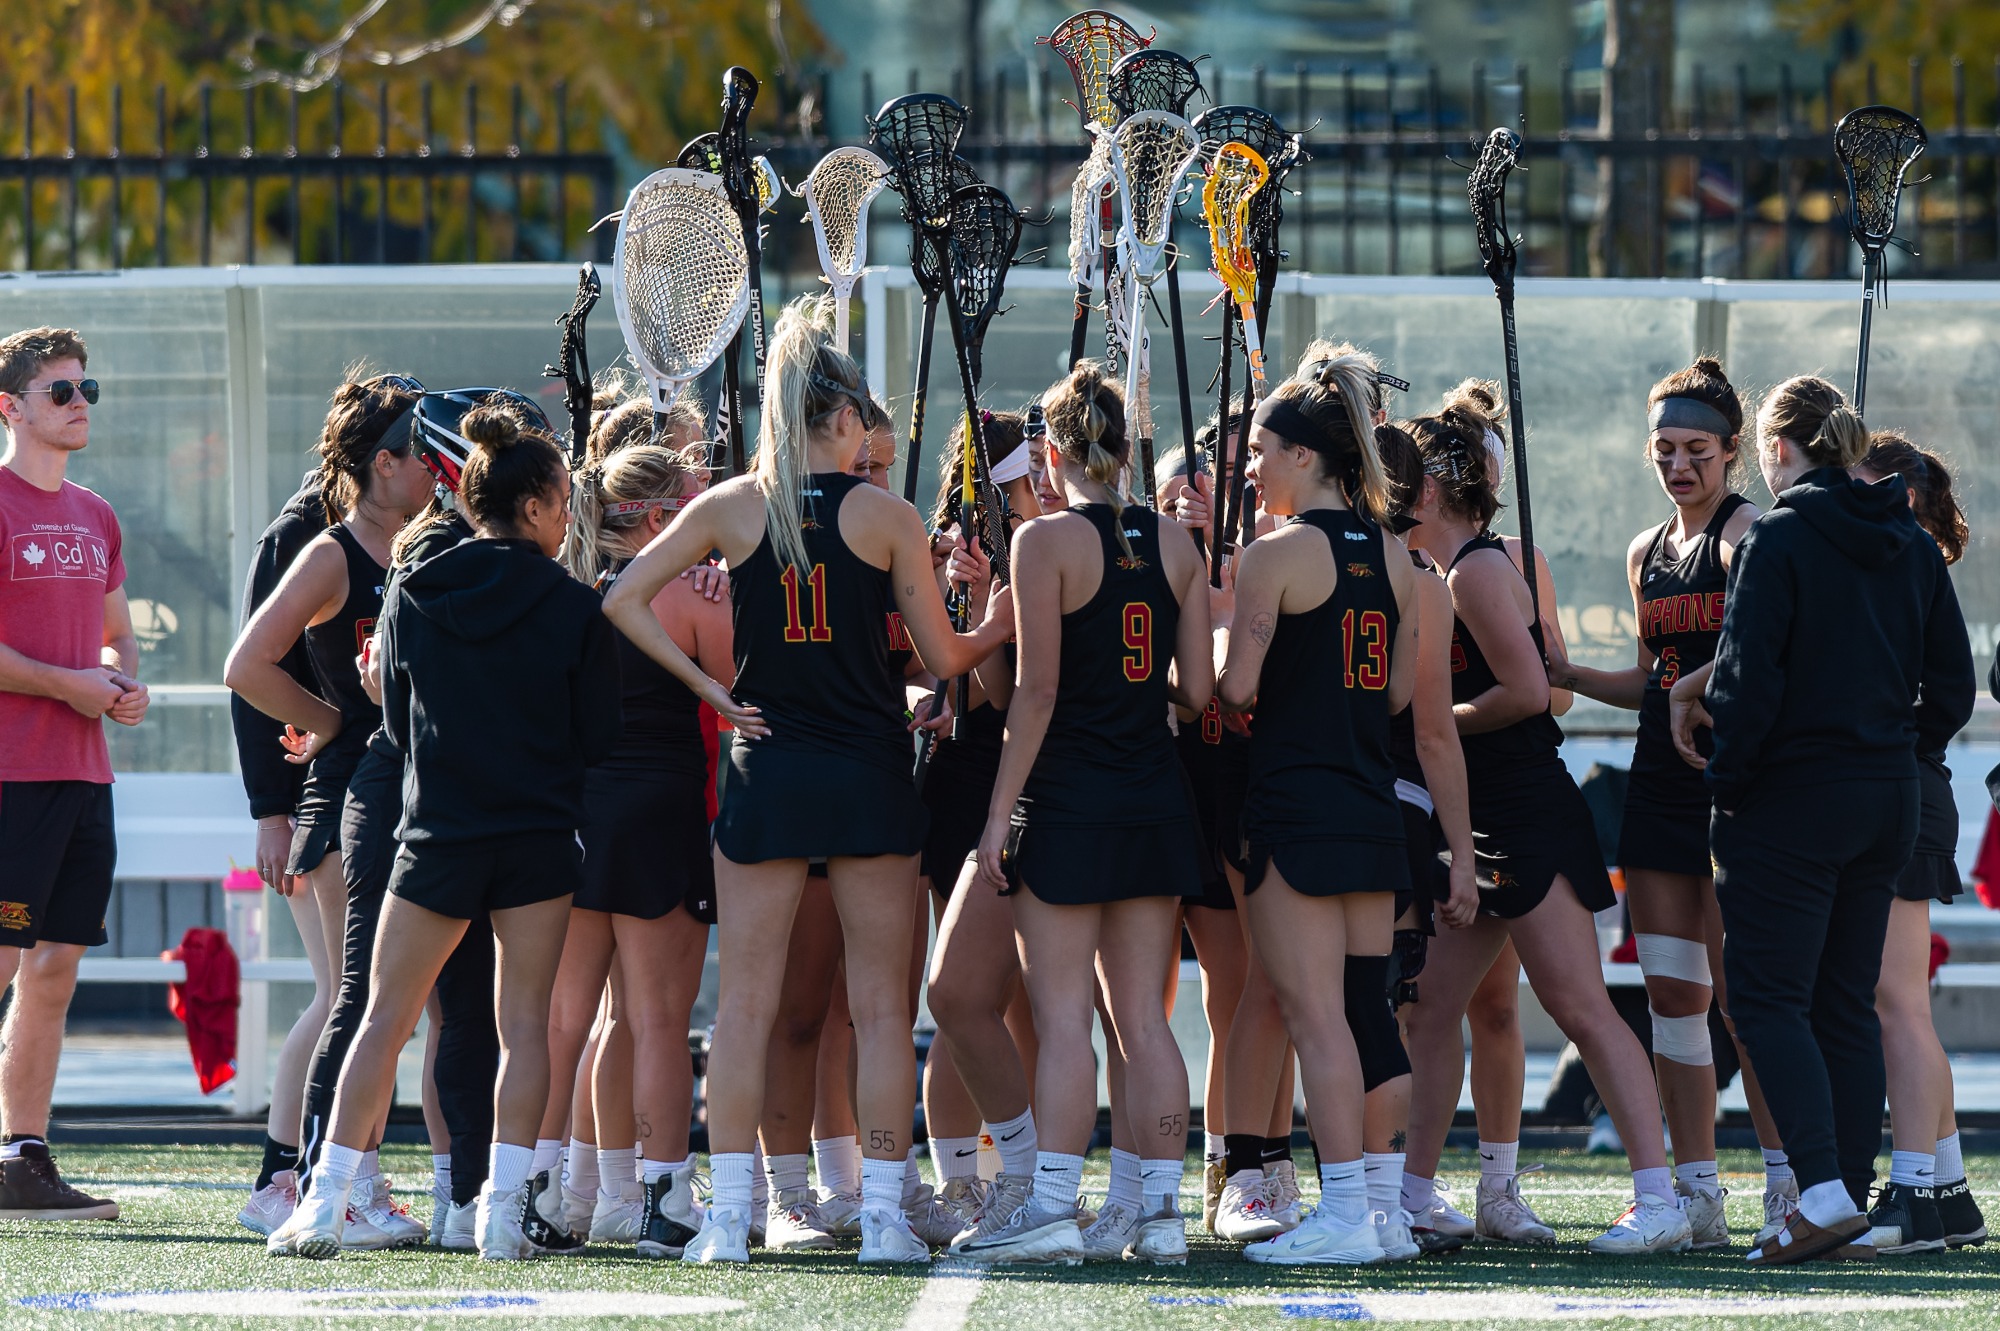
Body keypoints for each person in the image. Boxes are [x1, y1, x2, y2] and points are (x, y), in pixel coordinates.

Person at [601, 296, 1011, 1265]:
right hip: (866, 772)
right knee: (877, 1012)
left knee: (739, 1008)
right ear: (834, 420)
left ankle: (727, 1220)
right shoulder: (884, 515)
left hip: (767, 772)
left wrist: (714, 686)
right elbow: (945, 657)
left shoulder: (731, 505)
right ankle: (877, 1217)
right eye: (861, 416)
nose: (871, 430)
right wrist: (1001, 614)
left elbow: (619, 594)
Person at [266, 402, 621, 1261]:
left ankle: (325, 1204)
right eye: (563, 497)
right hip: (537, 836)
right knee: (522, 1026)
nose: (571, 512)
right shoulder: (576, 606)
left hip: (437, 836)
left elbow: (391, 719)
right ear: (531, 506)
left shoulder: (415, 589)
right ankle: (500, 1213)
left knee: (384, 1017)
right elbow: (599, 739)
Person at [1395, 382, 1691, 1255]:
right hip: (1475, 817)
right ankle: (1413, 1191)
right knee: (1432, 1005)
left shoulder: (1480, 569)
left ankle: (1659, 1195)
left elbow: (1534, 694)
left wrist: (1433, 719)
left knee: (1580, 1007)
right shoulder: (1436, 569)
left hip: (1524, 812)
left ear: (1433, 488)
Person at [1697, 375, 1973, 1265]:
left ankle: (1820, 1190)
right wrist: (1894, 743)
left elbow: (1745, 682)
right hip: (1888, 793)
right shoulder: (1911, 542)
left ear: (1777, 450)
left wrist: (1729, 783)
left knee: (1772, 997)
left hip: (1794, 798)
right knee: (1846, 1003)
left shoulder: (1775, 537)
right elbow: (1956, 690)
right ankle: (1842, 1197)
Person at [956, 361, 1212, 1266]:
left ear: (1053, 450)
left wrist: (996, 818)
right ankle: (1163, 1214)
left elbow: (1035, 691)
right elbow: (1200, 691)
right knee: (1144, 1017)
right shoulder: (1178, 545)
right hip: (1152, 793)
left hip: (1065, 797)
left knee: (1064, 1015)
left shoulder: (1044, 542)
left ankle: (1054, 1205)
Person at [1539, 358, 1764, 1249]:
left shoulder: (1754, 535)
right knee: (1673, 991)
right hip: (1660, 786)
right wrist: (1566, 674)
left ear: (1733, 451)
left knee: (1748, 996)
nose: (1679, 465)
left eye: (1697, 449)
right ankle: (1698, 1194)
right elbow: (1650, 679)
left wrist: (1691, 694)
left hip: (1738, 786)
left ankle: (1788, 1190)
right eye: (1665, 449)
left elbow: (1757, 654)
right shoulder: (1647, 552)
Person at [1209, 352, 1420, 1265]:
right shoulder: (1400, 556)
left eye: (1261, 451)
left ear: (1303, 455)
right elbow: (1403, 694)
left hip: (1295, 811)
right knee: (1365, 1013)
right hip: (1372, 809)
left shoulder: (1276, 554)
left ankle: (1343, 1216)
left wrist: (1217, 622)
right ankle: (1379, 1211)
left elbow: (1236, 690)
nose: (1252, 466)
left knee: (1316, 1017)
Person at [328, 387, 540, 1250]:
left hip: (453, 802)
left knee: (458, 1012)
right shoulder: (433, 551)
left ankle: (462, 1197)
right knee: (379, 1004)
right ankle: (317, 1179)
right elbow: (386, 692)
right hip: (426, 802)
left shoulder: (483, 553)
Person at [224, 373, 431, 1246]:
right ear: (383, 464)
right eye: (423, 452)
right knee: (354, 997)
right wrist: (332, 719)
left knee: (366, 996)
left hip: (398, 790)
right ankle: (321, 1179)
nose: (439, 467)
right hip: (340, 794)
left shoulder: (426, 546)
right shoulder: (328, 549)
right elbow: (247, 666)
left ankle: (305, 1175)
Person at [562, 439, 730, 1259]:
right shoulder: (693, 595)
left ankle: (576, 1195)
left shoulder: (568, 591)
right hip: (660, 812)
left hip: (581, 817)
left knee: (582, 1022)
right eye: (697, 508)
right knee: (656, 1020)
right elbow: (749, 694)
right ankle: (662, 1200)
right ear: (662, 519)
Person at [0, 327, 146, 1222]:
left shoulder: (96, 513)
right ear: (9, 407)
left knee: (53, 967)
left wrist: (124, 682)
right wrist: (71, 684)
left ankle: (23, 1157)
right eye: (59, 391)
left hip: (85, 776)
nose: (80, 400)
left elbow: (118, 630)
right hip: (11, 773)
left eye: (86, 386)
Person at [1849, 431, 1986, 1256]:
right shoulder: (1897, 571)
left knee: (1895, 1004)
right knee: (1904, 1005)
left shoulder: (1912, 571)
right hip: (1909, 792)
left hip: (1906, 793)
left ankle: (1912, 1190)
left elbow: (1954, 695)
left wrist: (1897, 741)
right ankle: (1949, 1190)